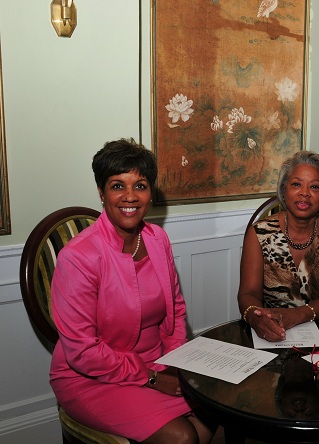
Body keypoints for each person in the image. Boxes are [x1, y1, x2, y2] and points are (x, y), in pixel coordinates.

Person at [49, 139, 214, 444]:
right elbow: (83, 352)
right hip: (89, 377)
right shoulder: (78, 257)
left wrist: (173, 365)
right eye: (117, 186)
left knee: (215, 420)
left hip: (158, 363)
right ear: (101, 193)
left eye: (140, 186)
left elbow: (176, 312)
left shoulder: (157, 239)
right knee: (182, 437)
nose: (130, 196)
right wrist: (151, 378)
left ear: (150, 192)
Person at [238, 150, 319, 341]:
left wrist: (298, 315)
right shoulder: (258, 233)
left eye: (314, 187)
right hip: (271, 331)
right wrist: (255, 318)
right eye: (296, 184)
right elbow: (248, 293)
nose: (304, 193)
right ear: (284, 190)